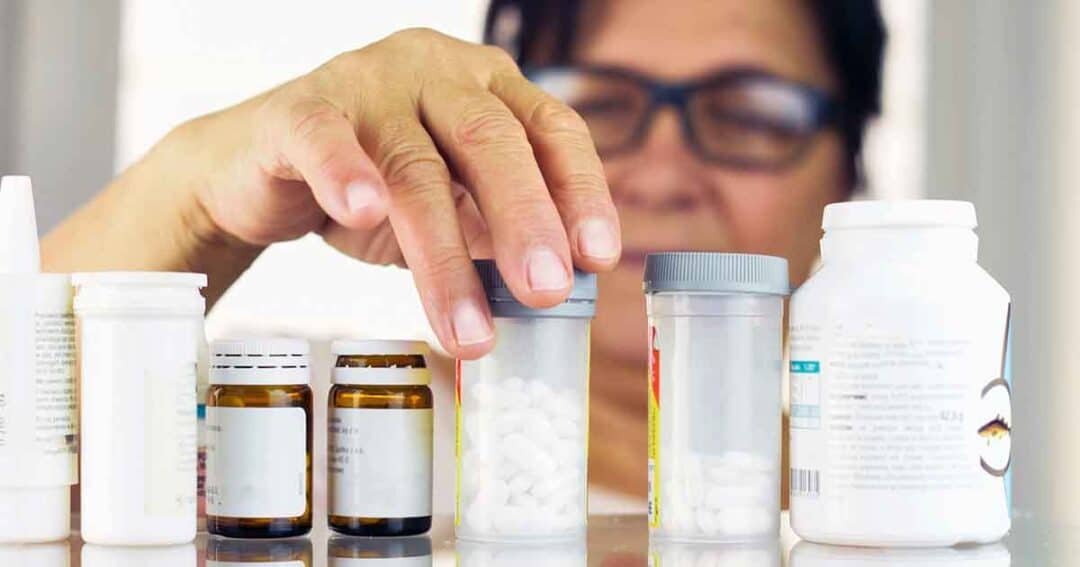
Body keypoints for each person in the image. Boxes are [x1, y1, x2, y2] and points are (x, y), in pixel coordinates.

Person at [43, 0, 884, 508]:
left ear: (848, 171)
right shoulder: (322, 422)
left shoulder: (898, 498)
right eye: (596, 102)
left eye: (751, 112)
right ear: (503, 130)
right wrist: (195, 203)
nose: (661, 175)